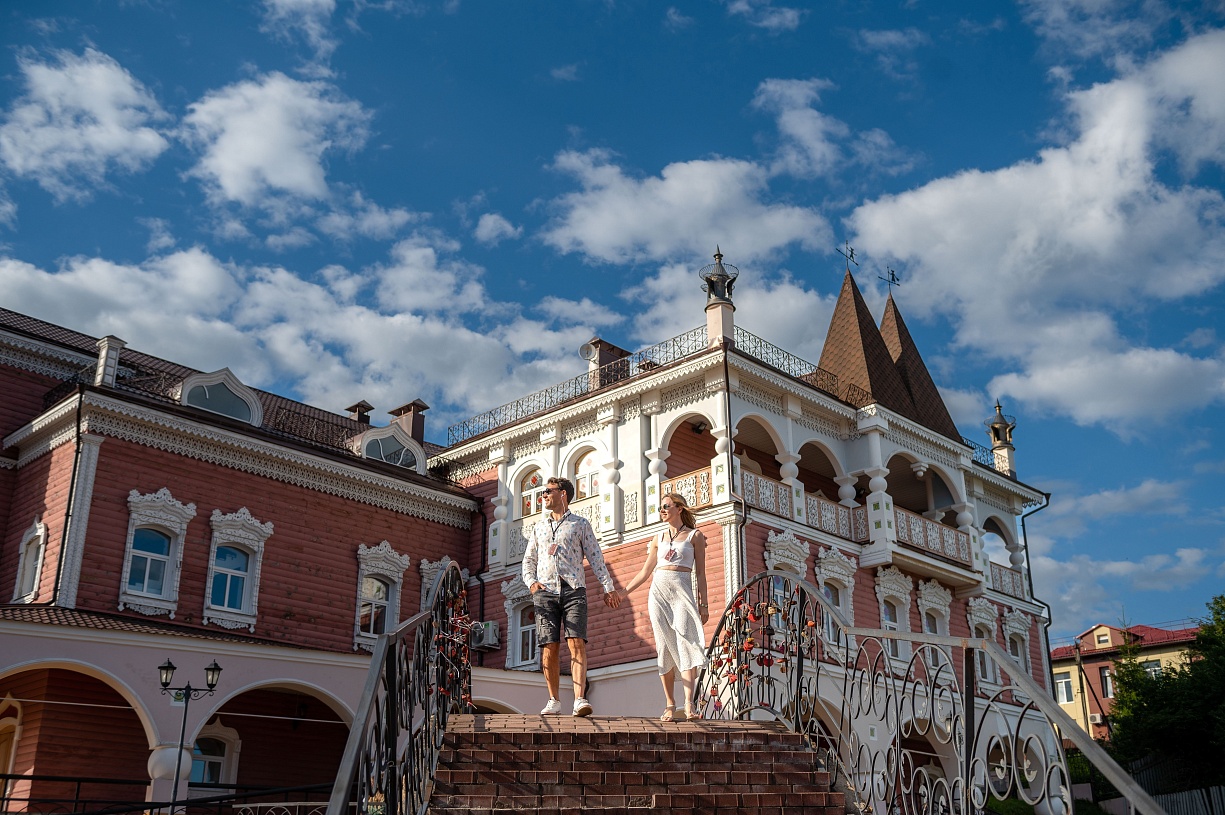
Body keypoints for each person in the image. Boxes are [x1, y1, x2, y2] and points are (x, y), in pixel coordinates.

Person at [522, 476, 621, 717]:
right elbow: (528, 560)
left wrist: (608, 587)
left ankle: (579, 699)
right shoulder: (539, 527)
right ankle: (553, 700)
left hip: (573, 589)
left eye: (548, 491)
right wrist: (531, 583)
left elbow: (596, 557)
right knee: (549, 646)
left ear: (563, 493)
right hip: (545, 592)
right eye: (543, 492)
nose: (543, 495)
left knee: (576, 642)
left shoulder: (580, 524)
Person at [617, 492, 709, 721]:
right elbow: (645, 571)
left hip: (682, 592)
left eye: (666, 506)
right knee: (664, 646)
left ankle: (689, 704)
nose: (662, 510)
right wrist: (623, 592)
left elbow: (701, 573)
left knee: (686, 641)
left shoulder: (695, 536)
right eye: (660, 507)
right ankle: (670, 704)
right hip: (658, 593)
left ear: (679, 508)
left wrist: (704, 604)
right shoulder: (658, 538)